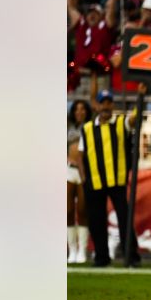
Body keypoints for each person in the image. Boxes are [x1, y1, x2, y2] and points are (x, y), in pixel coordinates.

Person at [78, 90, 140, 267]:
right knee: (97, 222)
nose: (106, 106)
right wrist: (84, 179)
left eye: (109, 103)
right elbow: (80, 156)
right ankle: (101, 257)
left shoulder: (121, 123)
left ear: (113, 105)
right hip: (94, 181)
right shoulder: (87, 128)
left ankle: (131, 256)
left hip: (117, 179)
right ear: (96, 106)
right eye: (102, 103)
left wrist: (140, 99)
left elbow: (134, 120)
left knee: (124, 219)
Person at [67, 100, 92, 264]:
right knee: (68, 211)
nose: (79, 112)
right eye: (76, 109)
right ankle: (72, 250)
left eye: (83, 109)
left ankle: (82, 250)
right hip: (68, 170)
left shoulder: (90, 127)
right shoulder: (68, 128)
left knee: (83, 210)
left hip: (84, 172)